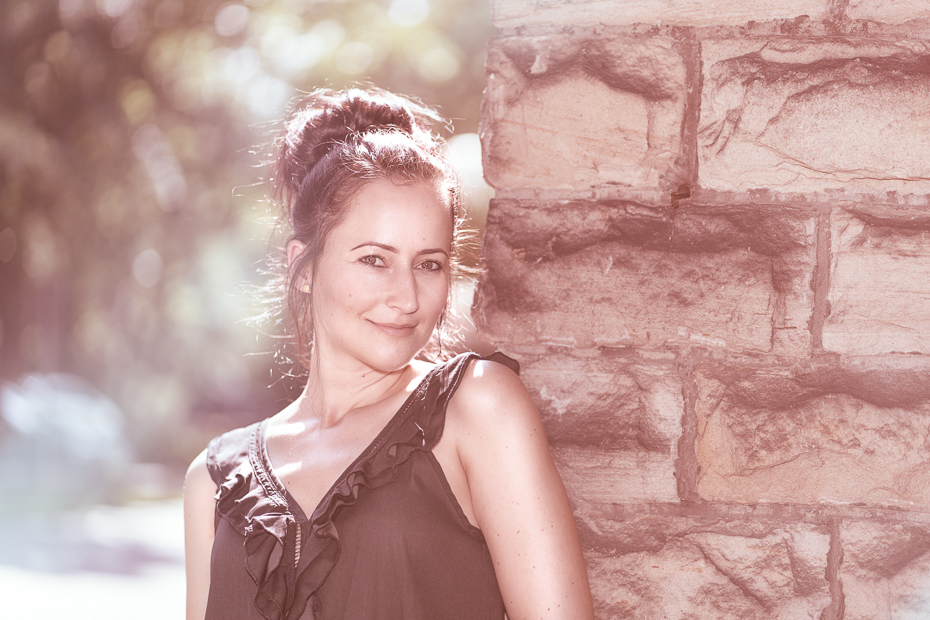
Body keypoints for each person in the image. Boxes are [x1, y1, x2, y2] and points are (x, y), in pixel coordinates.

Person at [183, 87, 593, 620]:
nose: (407, 298)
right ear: (303, 268)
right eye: (374, 260)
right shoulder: (214, 482)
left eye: (429, 264)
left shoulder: (478, 407)